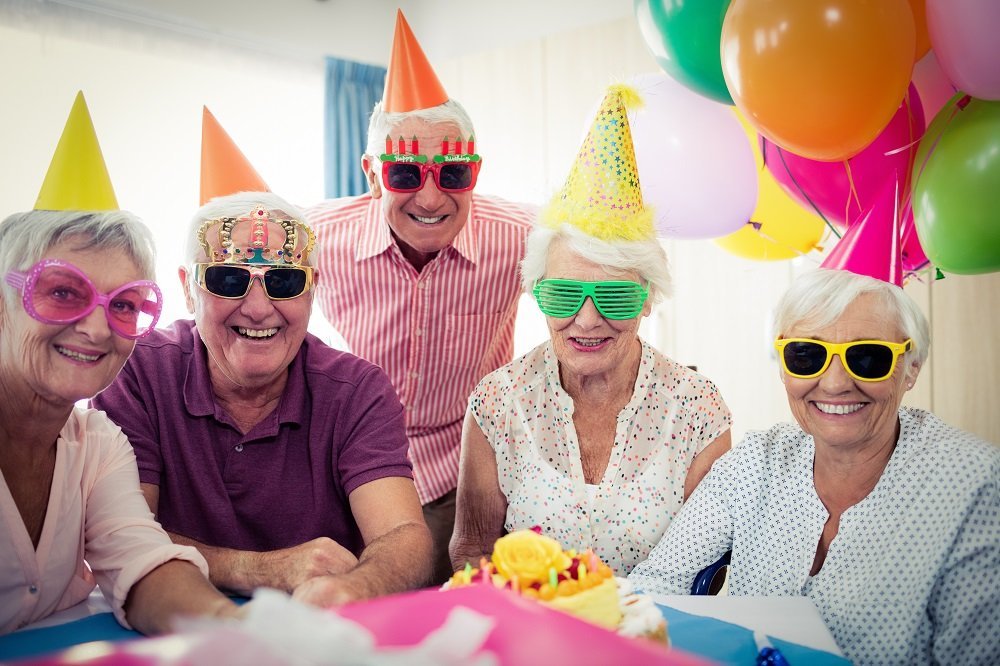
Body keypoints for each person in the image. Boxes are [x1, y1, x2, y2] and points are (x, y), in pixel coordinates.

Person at [93, 109, 433, 606]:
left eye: (284, 280)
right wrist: (263, 570)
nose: (257, 308)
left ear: (311, 292)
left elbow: (404, 535)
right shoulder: (139, 371)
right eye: (228, 280)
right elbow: (119, 537)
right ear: (189, 290)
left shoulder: (357, 390)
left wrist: (357, 586)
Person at [629, 267, 999, 665]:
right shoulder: (755, 462)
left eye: (868, 357)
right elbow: (656, 583)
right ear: (783, 365)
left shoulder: (974, 483)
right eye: (807, 355)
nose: (835, 383)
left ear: (911, 368)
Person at [449, 85, 732, 576]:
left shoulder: (697, 409)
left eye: (615, 297)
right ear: (537, 291)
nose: (586, 320)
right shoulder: (497, 402)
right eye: (562, 295)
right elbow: (472, 548)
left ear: (647, 299)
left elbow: (709, 567)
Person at [306, 10, 536, 584]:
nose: (431, 197)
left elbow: (610, 265)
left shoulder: (525, 238)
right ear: (371, 173)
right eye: (406, 173)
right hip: (349, 463)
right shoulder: (313, 240)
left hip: (467, 468)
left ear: (475, 172)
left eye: (453, 174)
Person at [1, 92, 239, 634]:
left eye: (126, 305)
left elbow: (143, 562)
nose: (95, 327)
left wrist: (238, 632)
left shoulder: (98, 443)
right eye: (63, 292)